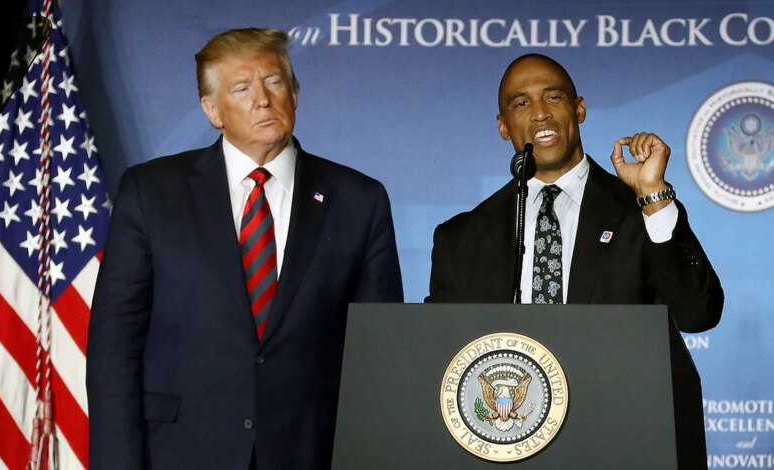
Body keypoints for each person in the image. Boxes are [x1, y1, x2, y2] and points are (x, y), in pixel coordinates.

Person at [87, 28, 403, 470]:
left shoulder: (359, 200)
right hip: (180, 453)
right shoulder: (150, 193)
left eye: (274, 82)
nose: (263, 99)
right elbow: (113, 347)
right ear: (212, 110)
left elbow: (379, 357)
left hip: (311, 454)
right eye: (241, 88)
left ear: (295, 93)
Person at [426, 53, 722, 333]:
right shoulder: (461, 240)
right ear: (503, 127)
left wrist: (652, 193)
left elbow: (698, 314)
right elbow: (440, 349)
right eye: (521, 104)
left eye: (553, 97)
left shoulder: (639, 213)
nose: (540, 114)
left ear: (579, 109)